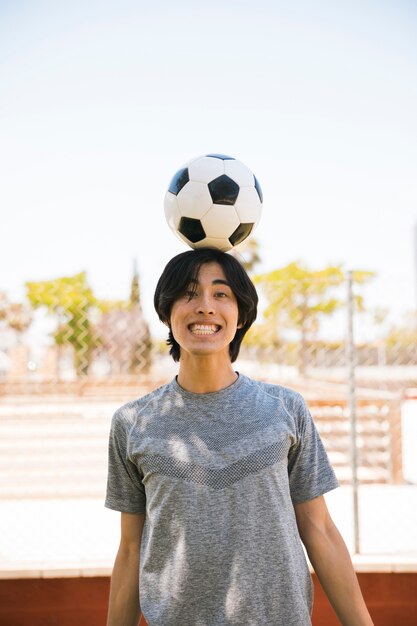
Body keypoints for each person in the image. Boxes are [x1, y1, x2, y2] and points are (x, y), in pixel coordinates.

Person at [105, 247, 374, 626]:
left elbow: (320, 529)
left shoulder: (285, 409)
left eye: (220, 293)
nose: (204, 306)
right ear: (167, 312)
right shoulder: (133, 423)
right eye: (188, 293)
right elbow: (131, 550)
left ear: (241, 314)